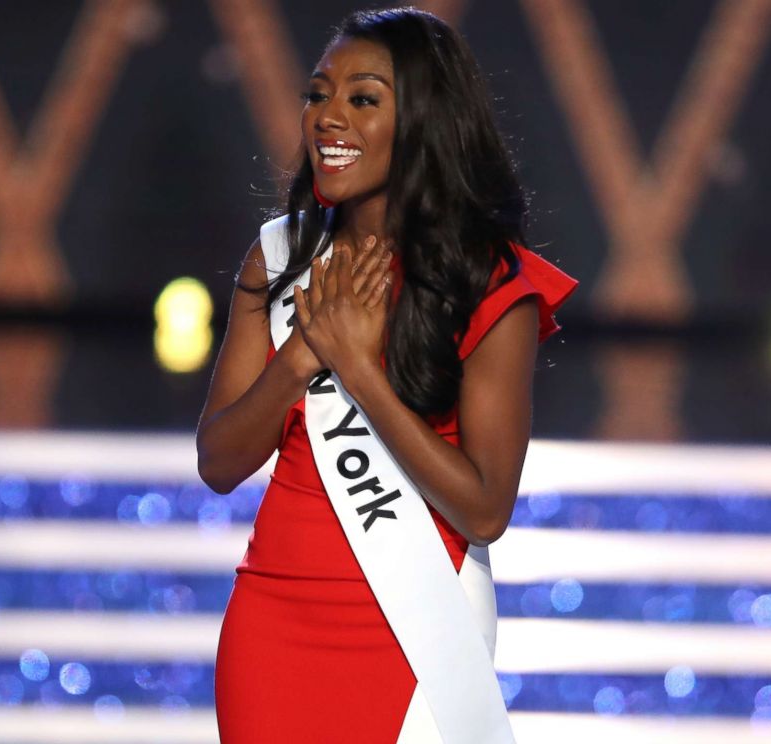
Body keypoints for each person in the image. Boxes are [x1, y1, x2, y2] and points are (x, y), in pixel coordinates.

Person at [197, 7, 578, 743]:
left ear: (426, 122)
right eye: (318, 95)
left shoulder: (492, 285)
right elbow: (217, 462)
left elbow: (485, 509)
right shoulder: (279, 259)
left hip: (420, 631)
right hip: (273, 628)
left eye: (363, 99)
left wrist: (359, 372)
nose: (328, 118)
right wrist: (300, 361)